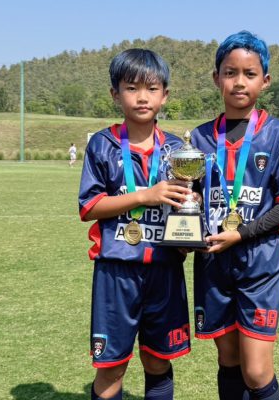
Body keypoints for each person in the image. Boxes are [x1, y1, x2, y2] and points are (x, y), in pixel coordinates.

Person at [190, 31, 279, 400]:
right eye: (230, 72)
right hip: (213, 262)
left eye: (249, 73)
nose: (239, 81)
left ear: (265, 81)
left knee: (256, 372)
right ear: (217, 78)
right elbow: (190, 200)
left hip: (259, 263)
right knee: (228, 360)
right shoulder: (198, 138)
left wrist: (240, 234)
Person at [78, 49, 192, 400]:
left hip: (165, 270)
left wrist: (191, 221)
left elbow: (187, 206)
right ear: (115, 94)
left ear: (165, 95)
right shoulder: (102, 144)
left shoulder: (178, 149)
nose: (142, 97)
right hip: (117, 271)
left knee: (157, 360)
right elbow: (90, 206)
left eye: (152, 88)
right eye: (131, 88)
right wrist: (145, 196)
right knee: (112, 367)